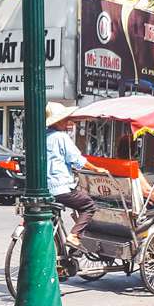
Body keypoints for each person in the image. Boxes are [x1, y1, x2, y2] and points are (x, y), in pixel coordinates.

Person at [46, 102, 109, 246]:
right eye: (66, 119)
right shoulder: (61, 137)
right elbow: (77, 159)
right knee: (88, 205)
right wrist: (96, 169)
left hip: (44, 189)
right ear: (59, 121)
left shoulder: (42, 136)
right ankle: (74, 235)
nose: (68, 122)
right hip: (59, 188)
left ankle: (66, 251)